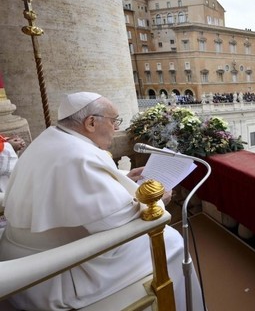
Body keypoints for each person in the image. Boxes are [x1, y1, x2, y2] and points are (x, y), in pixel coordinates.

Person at [0, 92, 205, 310]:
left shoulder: (51, 138)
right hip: (55, 275)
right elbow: (118, 222)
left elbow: (75, 192)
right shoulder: (79, 156)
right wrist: (158, 201)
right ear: (91, 122)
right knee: (172, 241)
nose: (116, 128)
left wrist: (124, 179)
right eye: (114, 121)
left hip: (17, 250)